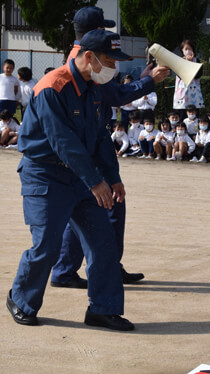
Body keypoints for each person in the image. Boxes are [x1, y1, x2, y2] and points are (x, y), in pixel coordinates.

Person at [6, 29, 135, 331]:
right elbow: (63, 140)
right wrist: (95, 181)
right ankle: (21, 298)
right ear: (88, 57)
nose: (114, 68)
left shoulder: (92, 88)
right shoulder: (53, 87)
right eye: (109, 61)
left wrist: (112, 177)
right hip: (46, 174)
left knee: (102, 243)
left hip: (81, 175)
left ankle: (103, 309)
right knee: (47, 246)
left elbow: (100, 136)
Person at [50, 6, 170, 290]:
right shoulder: (88, 63)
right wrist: (148, 82)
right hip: (90, 143)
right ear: (92, 33)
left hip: (93, 140)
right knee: (105, 203)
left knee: (90, 206)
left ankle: (79, 268)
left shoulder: (83, 59)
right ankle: (93, 267)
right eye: (102, 28)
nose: (106, 32)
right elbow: (116, 95)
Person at [172, 40, 204, 111]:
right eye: (186, 49)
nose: (188, 51)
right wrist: (187, 62)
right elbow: (181, 75)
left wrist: (191, 62)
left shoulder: (197, 61)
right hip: (183, 91)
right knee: (182, 112)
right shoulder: (179, 61)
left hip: (194, 92)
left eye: (190, 49)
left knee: (194, 112)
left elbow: (198, 75)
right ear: (182, 50)